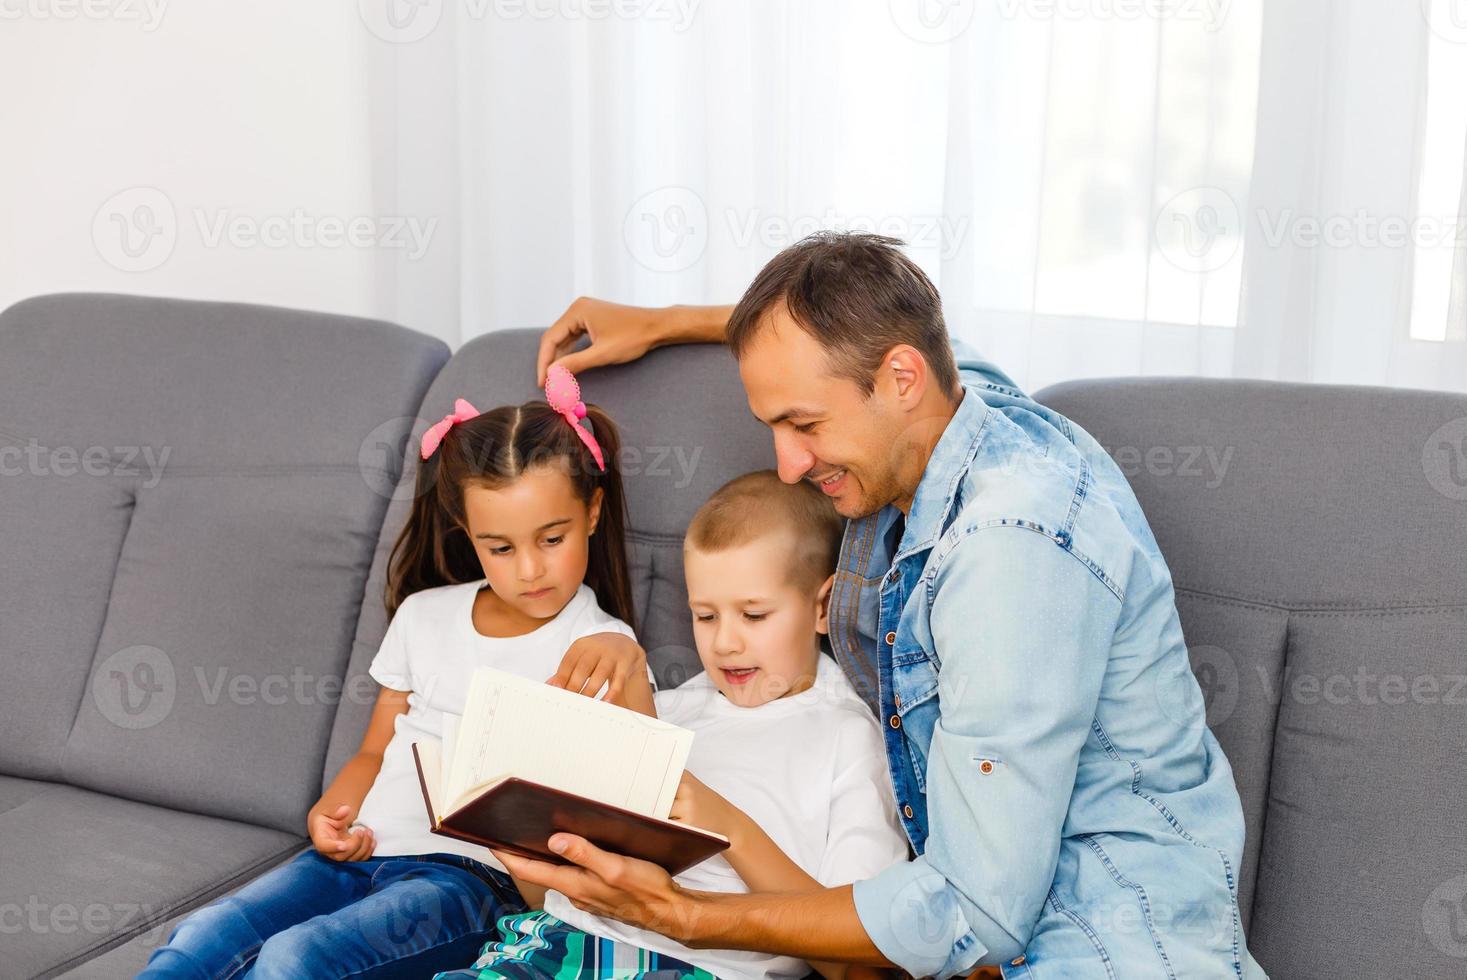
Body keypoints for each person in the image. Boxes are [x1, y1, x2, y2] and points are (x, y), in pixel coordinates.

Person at [498, 233, 1270, 979]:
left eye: (803, 424)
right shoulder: (956, 396)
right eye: (775, 424)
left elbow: (976, 914)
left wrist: (683, 917)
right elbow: (893, 327)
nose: (789, 464)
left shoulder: (1008, 552)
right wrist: (666, 321)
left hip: (1105, 941)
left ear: (902, 381)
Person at [141, 369, 656, 980]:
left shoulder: (601, 646)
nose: (529, 569)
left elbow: (638, 801)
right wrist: (333, 813)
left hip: (471, 879)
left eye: (552, 538)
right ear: (468, 534)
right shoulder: (424, 615)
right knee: (202, 937)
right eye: (501, 547)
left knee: (297, 959)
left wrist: (630, 665)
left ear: (592, 512)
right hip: (360, 854)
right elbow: (373, 752)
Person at [439, 470, 909, 980]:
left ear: (823, 605)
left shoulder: (852, 738)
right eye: (705, 617)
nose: (724, 643)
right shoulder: (677, 709)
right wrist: (522, 841)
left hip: (692, 967)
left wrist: (728, 827)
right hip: (553, 943)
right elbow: (553, 899)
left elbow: (857, 965)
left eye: (753, 615)